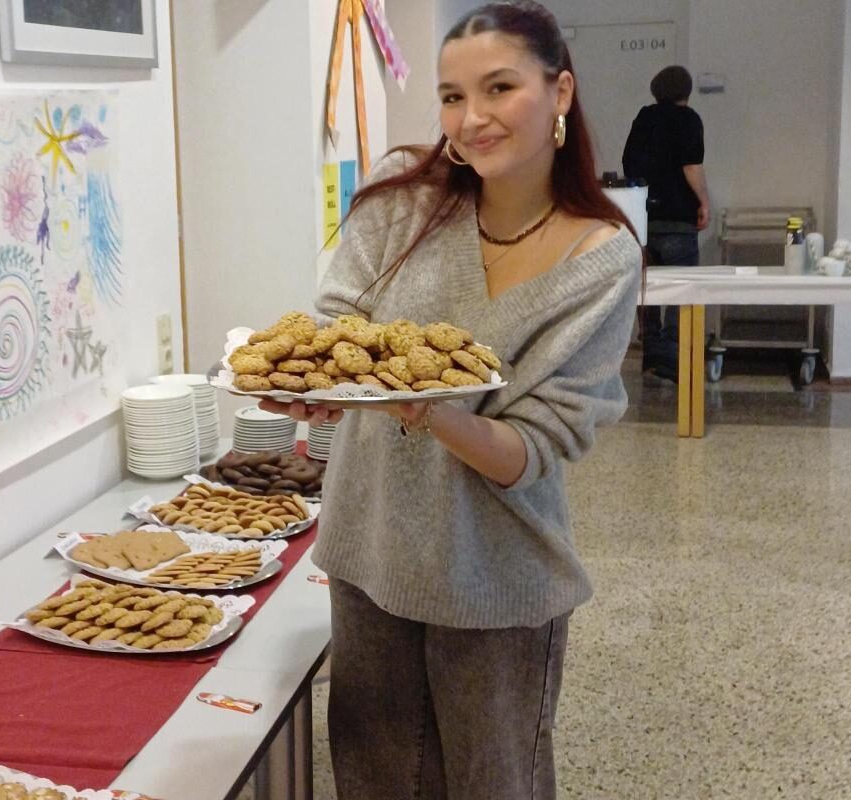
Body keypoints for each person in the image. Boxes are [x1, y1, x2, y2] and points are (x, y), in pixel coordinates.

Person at [261, 3, 642, 797]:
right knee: (375, 778)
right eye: (450, 96)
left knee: (492, 781)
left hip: (494, 577)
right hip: (370, 552)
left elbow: (534, 448)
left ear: (560, 91)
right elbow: (337, 325)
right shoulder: (403, 199)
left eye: (499, 88)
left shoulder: (599, 259)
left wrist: (428, 408)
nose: (471, 119)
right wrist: (319, 389)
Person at [623, 64, 710, 382]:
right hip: (678, 219)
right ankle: (674, 356)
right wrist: (704, 201)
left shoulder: (644, 118)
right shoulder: (689, 119)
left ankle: (651, 352)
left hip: (643, 217)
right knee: (680, 289)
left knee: (648, 289)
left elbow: (628, 163)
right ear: (686, 91)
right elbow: (691, 166)